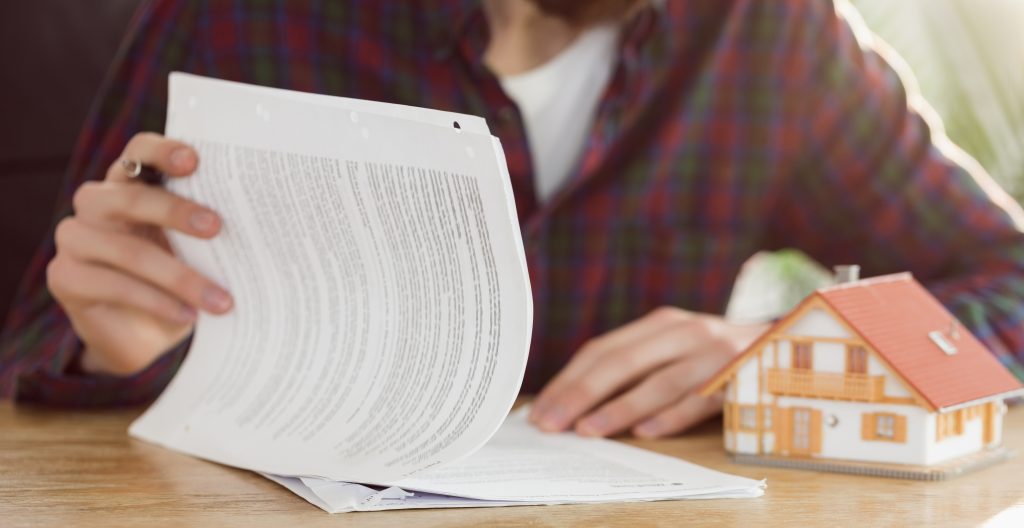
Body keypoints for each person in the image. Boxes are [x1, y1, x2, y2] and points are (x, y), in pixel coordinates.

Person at [2, 0, 1023, 440]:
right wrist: (108, 349)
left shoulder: (769, 38)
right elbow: (41, 345)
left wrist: (780, 355)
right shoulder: (243, 18)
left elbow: (1006, 281)